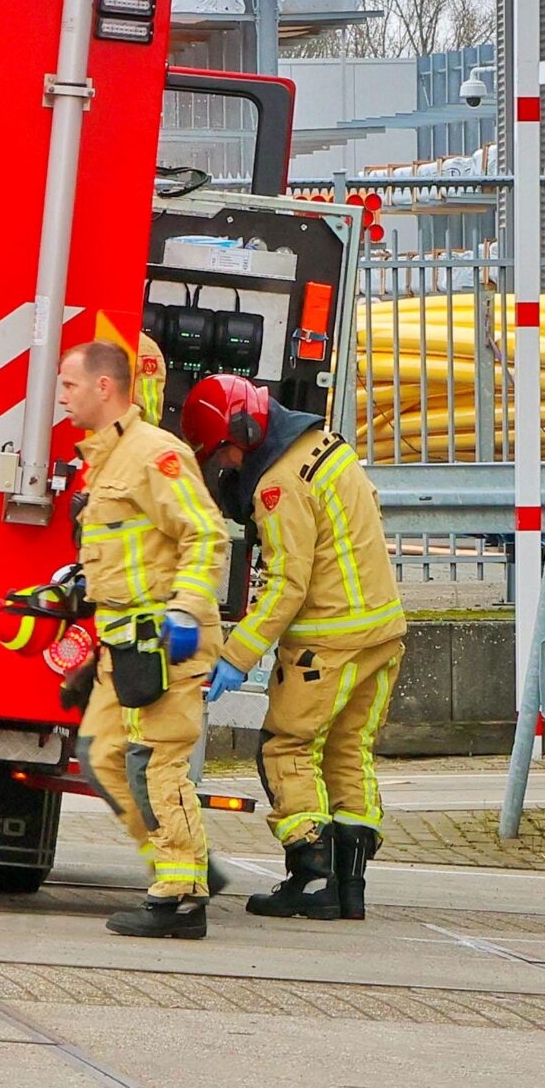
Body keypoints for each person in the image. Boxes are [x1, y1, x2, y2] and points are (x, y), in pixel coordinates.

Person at [182, 373, 404, 921]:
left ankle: (310, 872)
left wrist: (236, 656)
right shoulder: (328, 447)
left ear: (243, 431)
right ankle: (349, 889)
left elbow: (287, 584)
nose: (226, 466)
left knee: (285, 749)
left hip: (326, 642)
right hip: (382, 631)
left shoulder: (277, 486)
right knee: (348, 752)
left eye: (224, 454)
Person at [58, 339, 231, 939]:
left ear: (105, 387)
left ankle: (181, 896)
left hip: (164, 641)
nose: (61, 396)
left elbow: (206, 537)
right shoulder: (108, 458)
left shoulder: (155, 455)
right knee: (101, 758)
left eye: (70, 384)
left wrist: (184, 612)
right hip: (125, 642)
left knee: (155, 765)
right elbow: (128, 552)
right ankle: (181, 863)